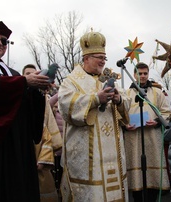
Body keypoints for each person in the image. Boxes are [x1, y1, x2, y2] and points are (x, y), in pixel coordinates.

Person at [0, 21, 50, 201]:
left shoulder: (13, 73)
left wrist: (36, 90)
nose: (0, 43)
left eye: (4, 41)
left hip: (17, 147)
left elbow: (24, 107)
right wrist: (24, 83)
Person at [58, 31, 131, 201]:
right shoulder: (71, 81)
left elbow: (127, 103)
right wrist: (96, 99)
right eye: (99, 57)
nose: (103, 61)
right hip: (88, 158)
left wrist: (119, 99)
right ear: (86, 58)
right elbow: (66, 106)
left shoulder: (109, 78)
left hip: (113, 151)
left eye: (104, 58)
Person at [124, 62, 171, 202]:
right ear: (133, 75)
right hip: (133, 137)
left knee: (152, 175)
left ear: (148, 74)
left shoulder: (156, 92)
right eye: (139, 73)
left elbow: (166, 111)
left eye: (145, 73)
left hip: (152, 136)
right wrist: (125, 124)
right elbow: (120, 114)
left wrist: (157, 121)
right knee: (137, 177)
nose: (143, 76)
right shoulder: (126, 94)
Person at [23, 65, 62, 202]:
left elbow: (49, 130)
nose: (32, 76)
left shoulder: (43, 99)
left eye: (34, 74)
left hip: (40, 151)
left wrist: (43, 158)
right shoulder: (17, 98)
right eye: (28, 74)